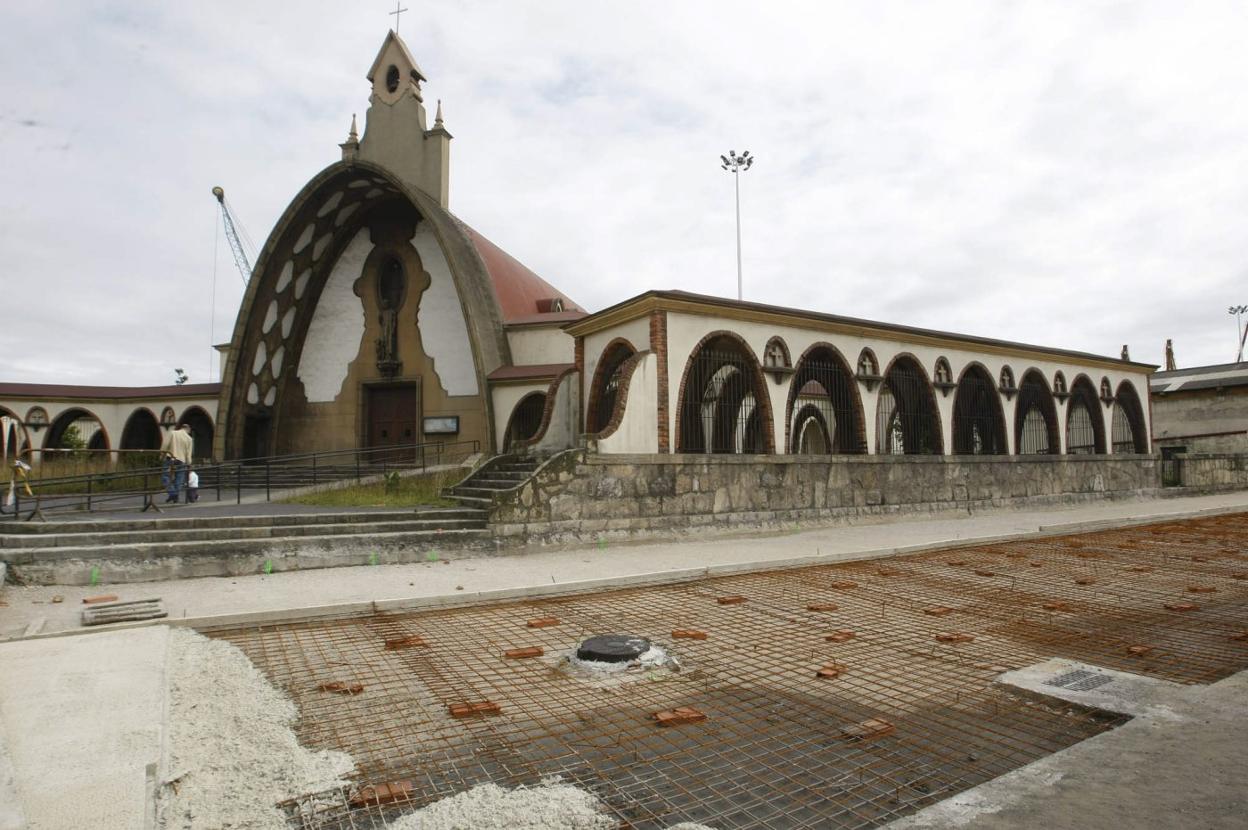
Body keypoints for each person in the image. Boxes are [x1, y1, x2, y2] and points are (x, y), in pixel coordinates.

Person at [160, 424, 194, 503]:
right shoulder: (189, 439)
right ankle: (175, 496)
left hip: (170, 458)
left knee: (165, 476)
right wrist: (189, 463)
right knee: (179, 478)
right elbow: (188, 454)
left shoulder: (172, 433)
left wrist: (162, 455)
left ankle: (172, 493)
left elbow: (165, 445)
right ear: (188, 430)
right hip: (182, 460)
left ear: (181, 428)